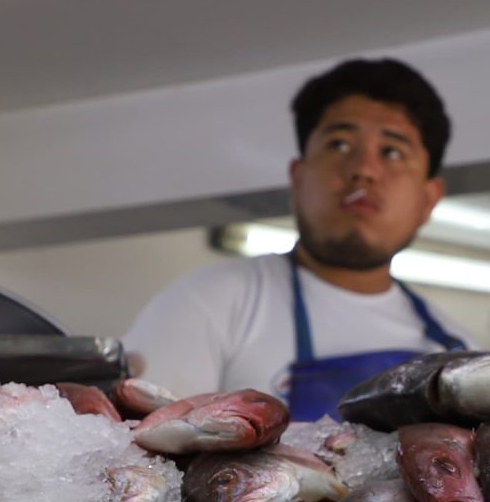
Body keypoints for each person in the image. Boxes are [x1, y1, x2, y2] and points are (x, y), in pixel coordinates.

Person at [123, 58, 467, 416]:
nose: (364, 170)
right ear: (298, 178)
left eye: (392, 152)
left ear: (429, 199)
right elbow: (143, 455)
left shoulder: (458, 352)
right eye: (339, 144)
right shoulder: (208, 303)